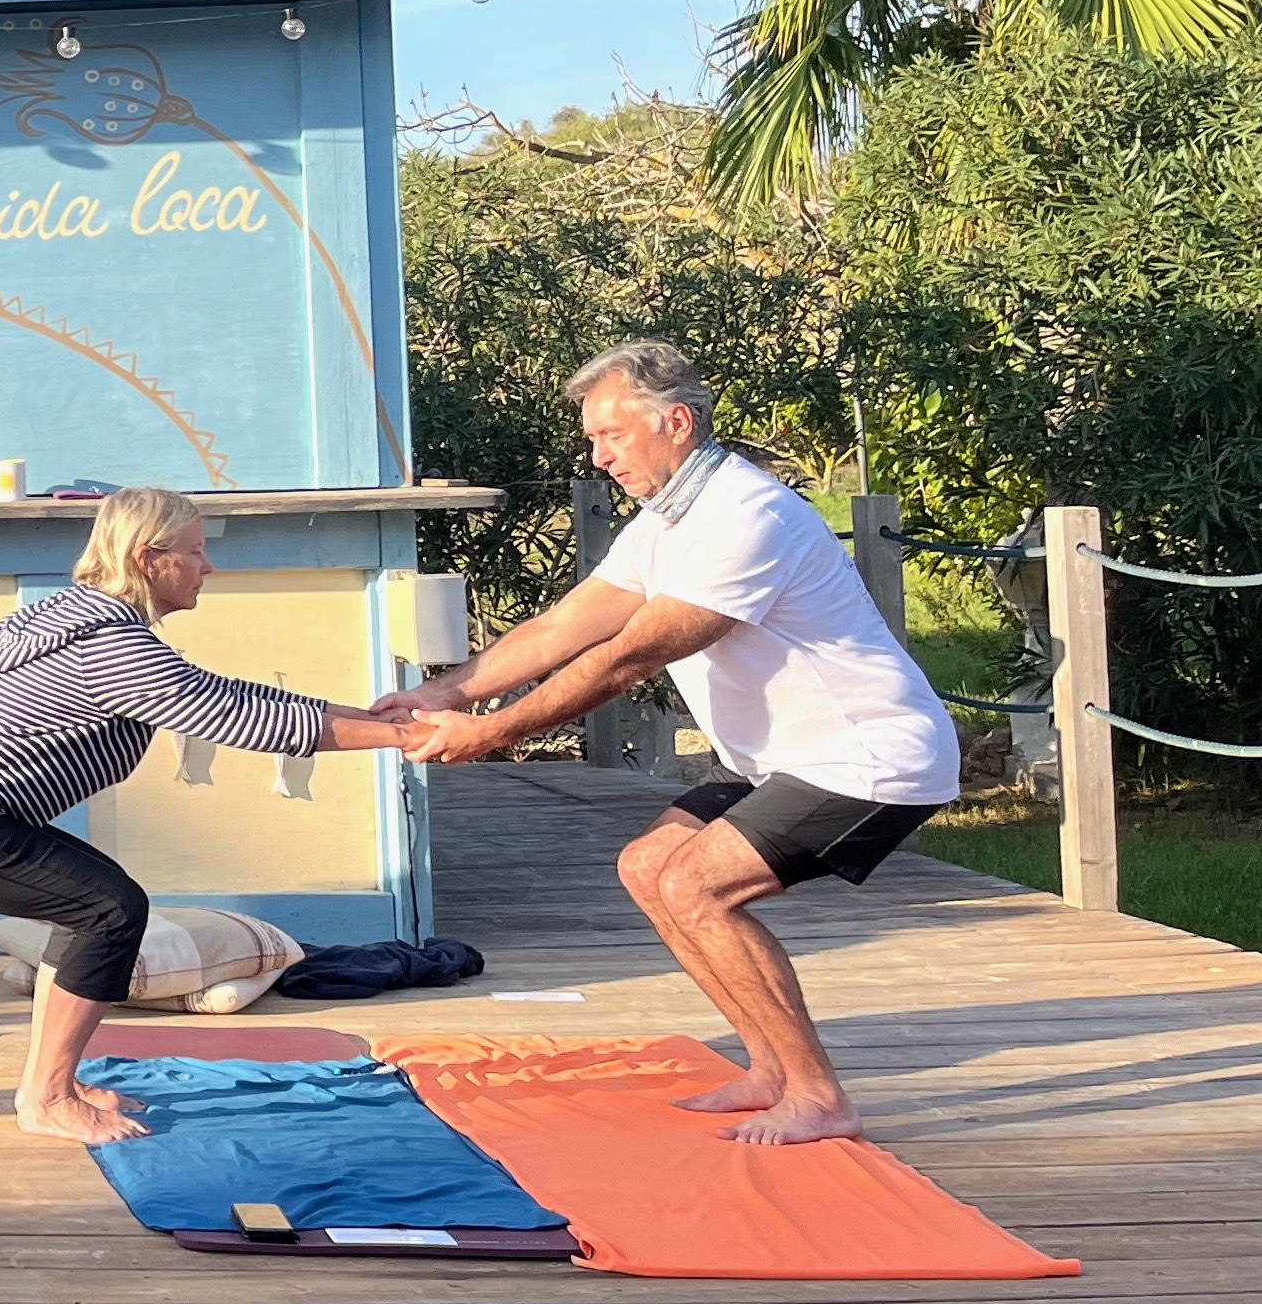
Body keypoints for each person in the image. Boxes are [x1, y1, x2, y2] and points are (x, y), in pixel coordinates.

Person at [378, 339, 958, 1147]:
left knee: (698, 888)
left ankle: (820, 1097)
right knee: (647, 867)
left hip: (872, 759)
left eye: (612, 435)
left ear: (676, 422)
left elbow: (629, 656)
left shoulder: (747, 518)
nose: (599, 454)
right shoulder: (670, 519)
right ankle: (768, 1072)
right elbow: (565, 626)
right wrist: (447, 693)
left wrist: (492, 733)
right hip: (788, 761)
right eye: (593, 439)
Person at [0, 485, 470, 1145]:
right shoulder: (110, 647)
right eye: (196, 551)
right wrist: (408, 739)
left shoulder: (82, 617)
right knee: (106, 910)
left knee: (99, 908)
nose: (209, 566)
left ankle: (51, 1082)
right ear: (150, 559)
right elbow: (239, 718)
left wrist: (372, 717)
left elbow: (224, 692)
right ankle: (47, 1096)